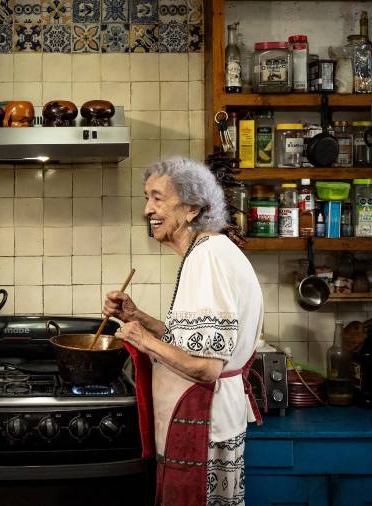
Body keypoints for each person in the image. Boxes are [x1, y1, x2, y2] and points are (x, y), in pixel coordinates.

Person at [104, 156, 263, 506]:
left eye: (157, 198)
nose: (147, 209)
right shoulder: (209, 252)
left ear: (191, 208)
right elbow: (195, 342)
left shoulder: (207, 259)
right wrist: (139, 317)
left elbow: (207, 367)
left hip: (204, 423)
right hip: (207, 420)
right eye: (147, 198)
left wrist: (142, 340)